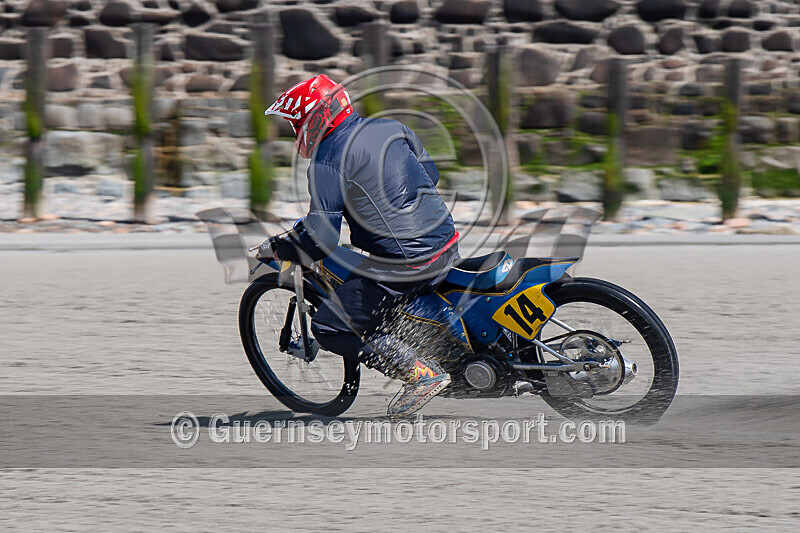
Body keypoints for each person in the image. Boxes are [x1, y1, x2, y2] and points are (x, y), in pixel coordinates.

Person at [263, 74, 459, 417]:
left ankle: (420, 375)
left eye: (296, 124)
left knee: (330, 326)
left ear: (316, 118)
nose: (296, 134)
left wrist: (284, 249)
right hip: (446, 241)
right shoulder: (391, 127)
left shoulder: (326, 161)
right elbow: (430, 174)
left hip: (406, 265)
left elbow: (323, 239)